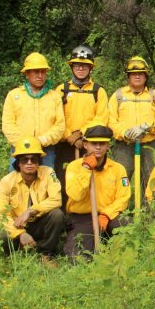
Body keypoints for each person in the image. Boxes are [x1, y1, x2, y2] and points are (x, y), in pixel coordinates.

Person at [64, 125, 131, 260]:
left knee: (125, 225)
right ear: (85, 145)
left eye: (102, 143)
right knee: (78, 258)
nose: (98, 147)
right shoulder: (74, 167)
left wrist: (106, 214)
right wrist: (86, 169)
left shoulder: (118, 169)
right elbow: (76, 195)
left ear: (108, 146)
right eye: (94, 143)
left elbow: (124, 197)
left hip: (109, 216)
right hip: (82, 218)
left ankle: (117, 253)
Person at [55, 45, 109, 206]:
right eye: (77, 65)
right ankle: (66, 217)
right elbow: (56, 118)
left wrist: (82, 134)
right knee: (65, 180)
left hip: (90, 145)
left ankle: (89, 214)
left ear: (91, 68)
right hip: (65, 145)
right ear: (71, 66)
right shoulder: (61, 90)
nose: (81, 68)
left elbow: (101, 117)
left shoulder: (98, 91)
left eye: (84, 65)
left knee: (92, 179)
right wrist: (69, 137)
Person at [0, 136, 64, 259]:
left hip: (39, 222)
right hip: (17, 225)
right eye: (24, 160)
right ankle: (15, 256)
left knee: (57, 215)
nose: (29, 163)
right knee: (4, 235)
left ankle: (46, 254)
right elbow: (1, 216)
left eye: (34, 159)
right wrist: (20, 234)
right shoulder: (6, 181)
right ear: (18, 163)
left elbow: (56, 200)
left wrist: (31, 211)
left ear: (39, 162)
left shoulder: (48, 173)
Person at [108, 56, 155, 199]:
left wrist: (146, 127)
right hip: (124, 146)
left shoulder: (154, 96)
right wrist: (125, 132)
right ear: (128, 75)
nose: (137, 76)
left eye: (141, 73)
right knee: (122, 179)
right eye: (134, 73)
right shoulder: (118, 95)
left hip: (148, 145)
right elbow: (110, 120)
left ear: (146, 76)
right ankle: (119, 213)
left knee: (151, 180)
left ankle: (150, 214)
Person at [2, 52, 65, 169]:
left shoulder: (54, 97)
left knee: (47, 184)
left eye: (43, 71)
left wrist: (42, 141)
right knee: (16, 184)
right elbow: (8, 125)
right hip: (20, 150)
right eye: (36, 71)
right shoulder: (14, 95)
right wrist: (24, 144)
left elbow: (59, 126)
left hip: (46, 151)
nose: (40, 75)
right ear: (27, 73)